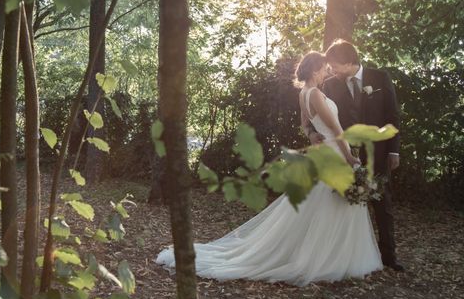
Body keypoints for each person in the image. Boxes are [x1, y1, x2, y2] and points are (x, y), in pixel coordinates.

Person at [156, 51, 383, 286]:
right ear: (315, 70)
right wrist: (350, 158)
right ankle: (328, 259)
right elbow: (337, 130)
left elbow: (305, 125)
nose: (328, 70)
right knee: (331, 204)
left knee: (324, 205)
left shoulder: (304, 93)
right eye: (325, 67)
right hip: (334, 155)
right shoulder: (314, 93)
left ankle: (328, 255)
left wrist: (314, 134)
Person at [306, 39, 403, 271]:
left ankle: (389, 256)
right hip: (345, 154)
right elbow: (313, 114)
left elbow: (393, 114)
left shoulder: (380, 78)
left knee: (383, 202)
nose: (331, 69)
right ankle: (343, 255)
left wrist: (393, 149)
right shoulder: (329, 85)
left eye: (335, 65)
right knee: (343, 204)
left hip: (378, 151)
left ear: (349, 61)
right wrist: (310, 134)